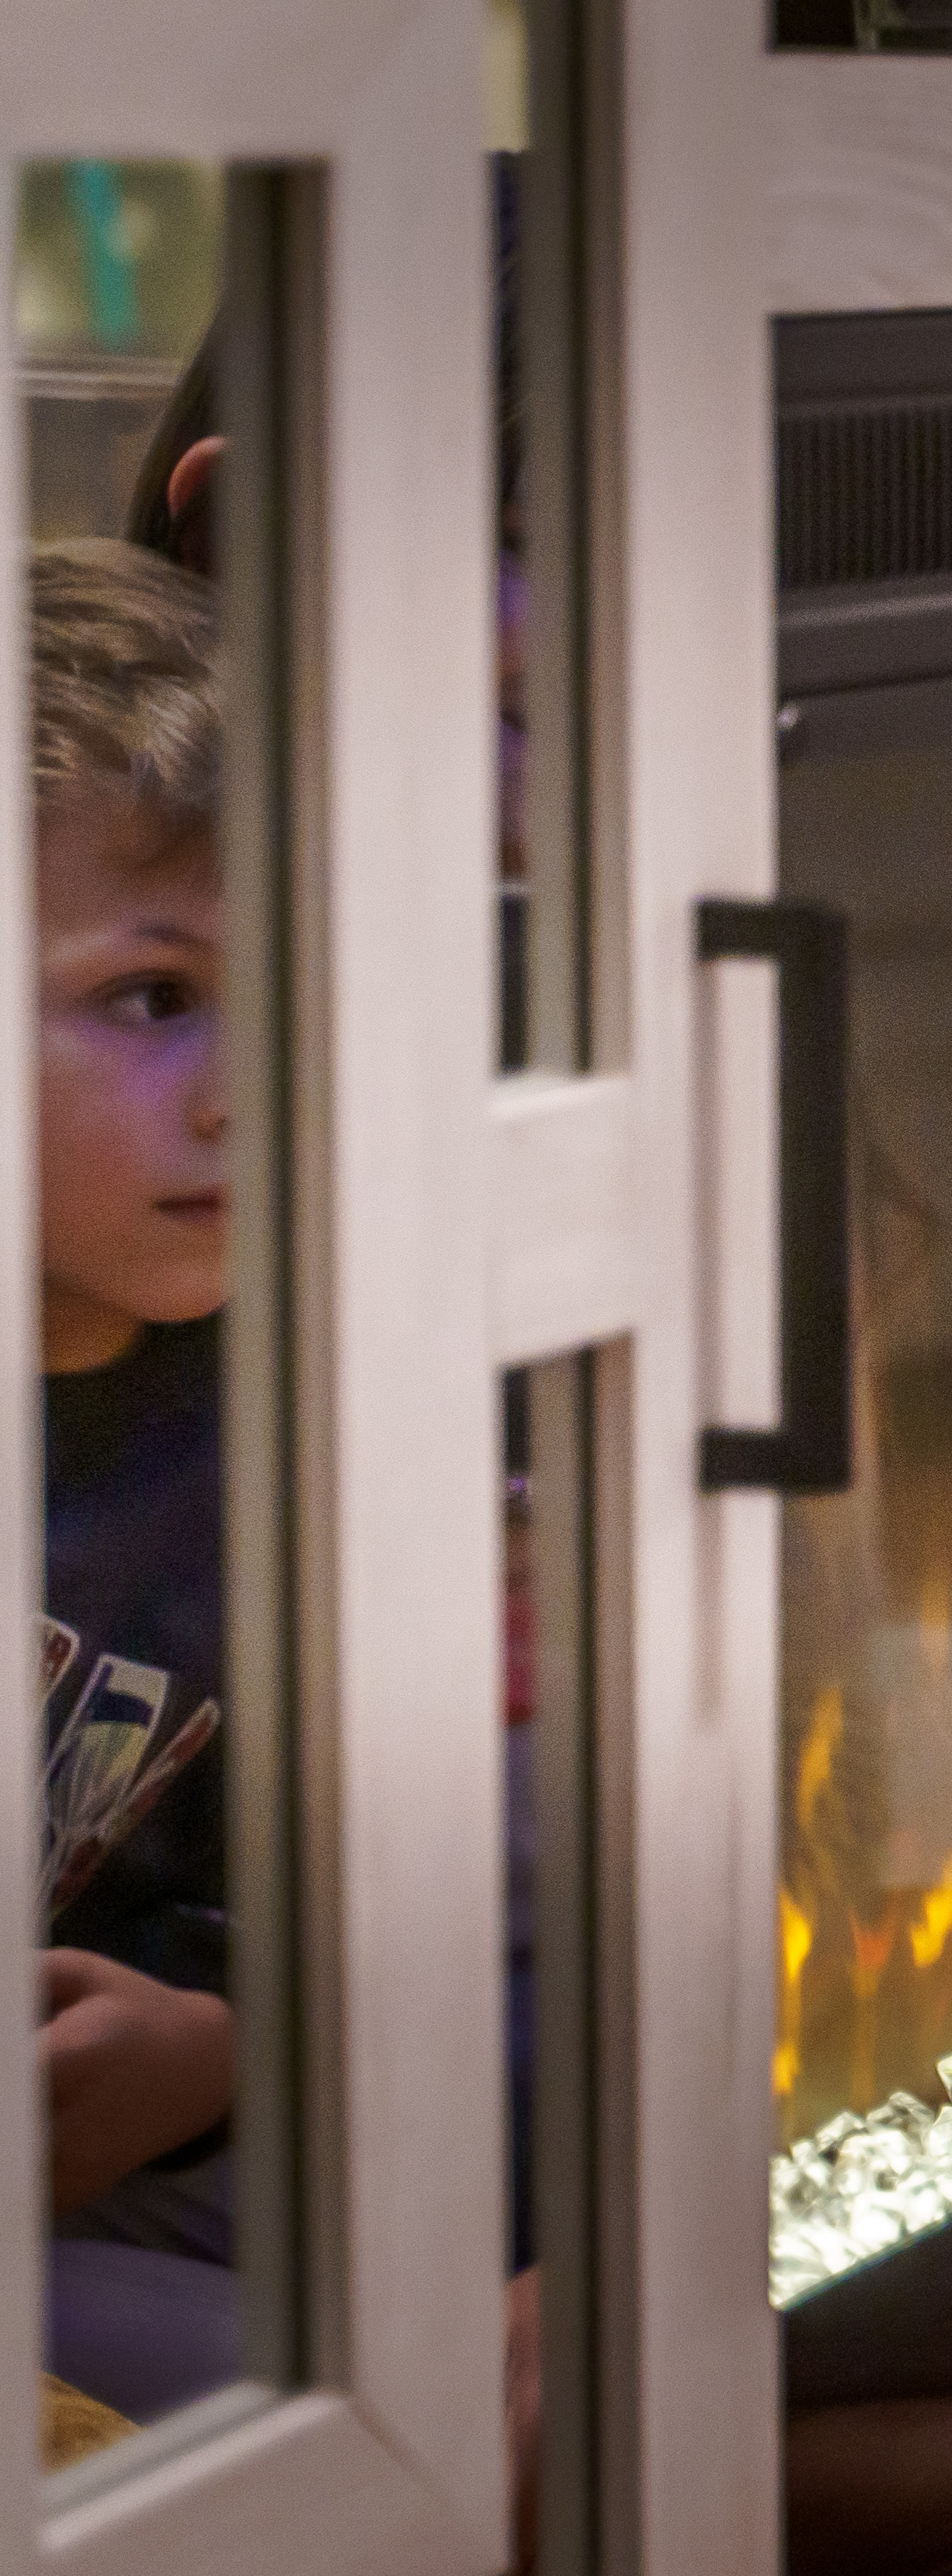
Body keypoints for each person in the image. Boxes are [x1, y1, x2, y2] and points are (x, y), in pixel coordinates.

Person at [28, 538, 239, 2420]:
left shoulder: (282, 1420)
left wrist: (214, 2052)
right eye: (157, 998)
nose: (249, 1085)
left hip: (133, 2196)